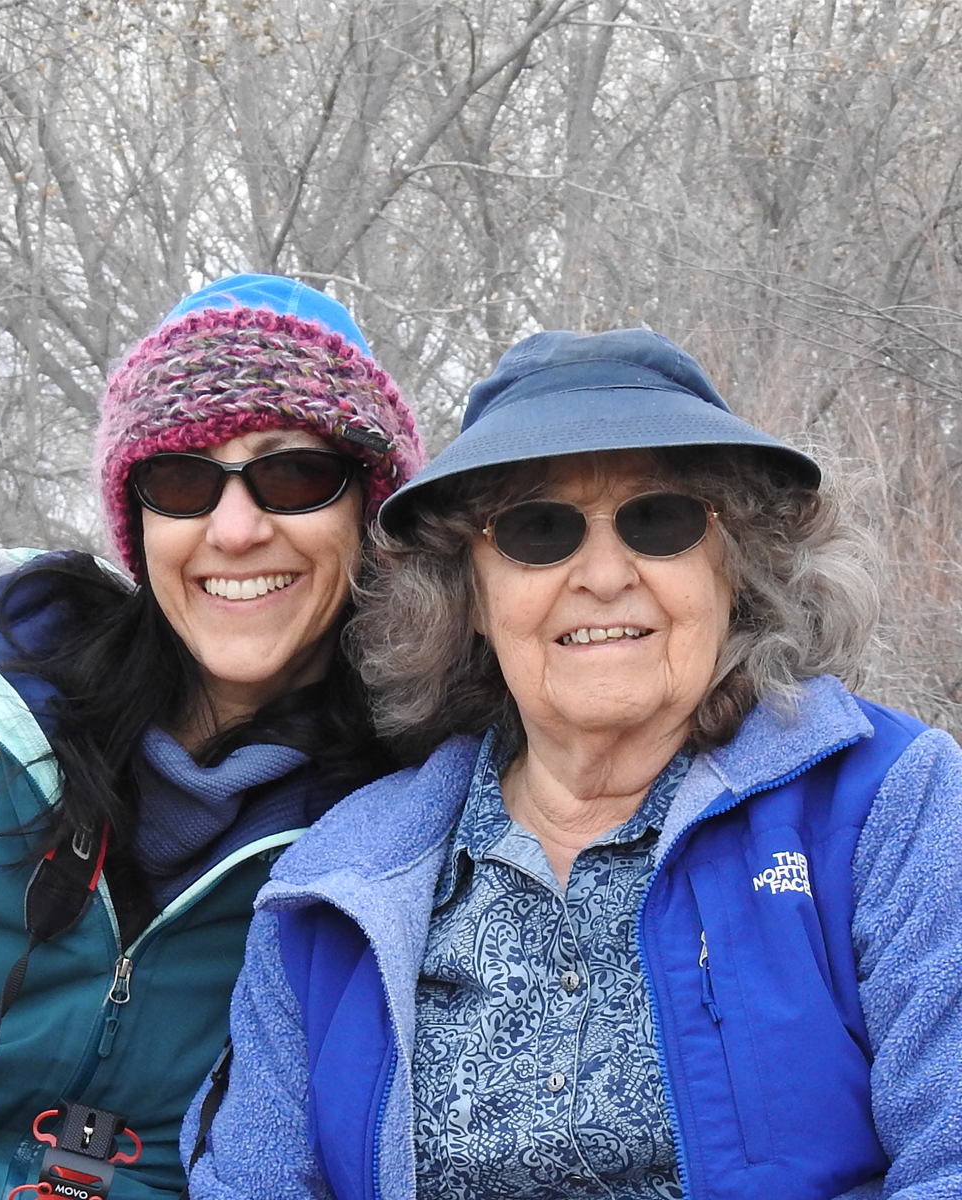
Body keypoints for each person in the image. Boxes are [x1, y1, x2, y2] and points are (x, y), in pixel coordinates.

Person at [185, 328, 962, 1200]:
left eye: (658, 520)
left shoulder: (892, 803)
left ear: (734, 566)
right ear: (470, 594)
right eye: (538, 529)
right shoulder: (333, 884)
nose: (601, 575)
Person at [0, 274, 423, 1200]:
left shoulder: (410, 816)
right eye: (182, 479)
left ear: (369, 510)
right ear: (140, 520)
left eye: (294, 474)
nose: (235, 530)